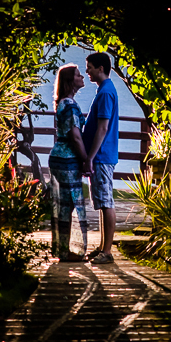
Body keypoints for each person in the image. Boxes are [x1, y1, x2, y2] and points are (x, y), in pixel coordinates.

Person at [47, 63, 91, 262]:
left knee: (63, 203)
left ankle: (62, 248)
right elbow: (75, 136)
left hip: (59, 156)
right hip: (67, 159)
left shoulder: (63, 103)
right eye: (78, 75)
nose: (82, 77)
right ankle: (65, 250)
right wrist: (86, 159)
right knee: (69, 203)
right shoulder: (70, 105)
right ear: (69, 81)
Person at [82, 51, 119, 264]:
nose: (87, 71)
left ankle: (107, 251)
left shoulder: (105, 93)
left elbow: (103, 128)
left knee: (106, 202)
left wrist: (90, 157)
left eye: (90, 67)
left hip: (102, 156)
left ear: (101, 68)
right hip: (102, 155)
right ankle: (103, 247)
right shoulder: (105, 90)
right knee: (102, 201)